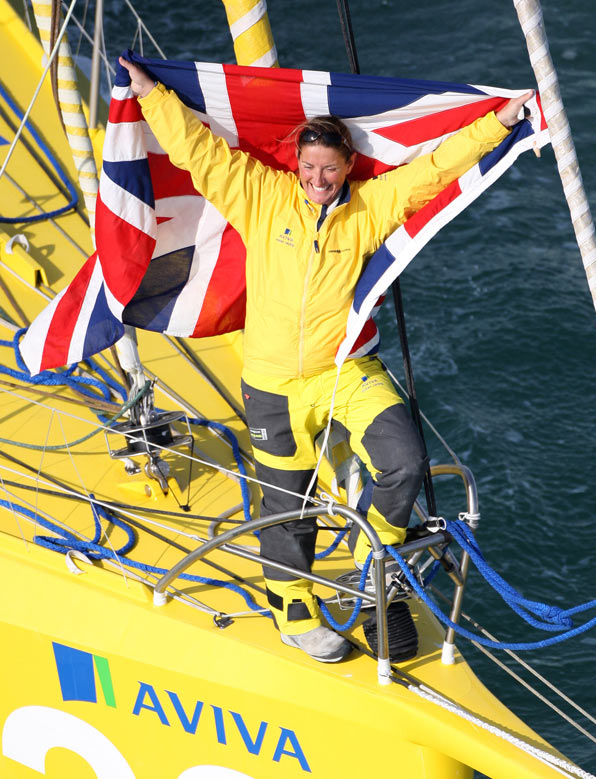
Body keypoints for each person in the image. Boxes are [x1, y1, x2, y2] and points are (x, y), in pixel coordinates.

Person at [119, 56, 531, 663]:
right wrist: (151, 95)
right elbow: (198, 153)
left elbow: (435, 169)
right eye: (310, 165)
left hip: (346, 373)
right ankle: (295, 616)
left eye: (330, 167)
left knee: (405, 461)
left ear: (346, 168)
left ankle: (376, 567)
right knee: (288, 507)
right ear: (298, 163)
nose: (318, 176)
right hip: (274, 385)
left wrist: (498, 123)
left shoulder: (370, 205)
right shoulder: (260, 195)